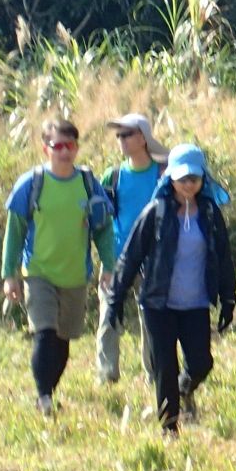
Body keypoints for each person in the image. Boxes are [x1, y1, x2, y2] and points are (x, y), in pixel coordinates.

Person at [106, 143, 236, 436]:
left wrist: (228, 297)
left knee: (201, 363)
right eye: (182, 178)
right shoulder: (156, 211)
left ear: (203, 178)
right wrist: (116, 299)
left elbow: (223, 256)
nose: (188, 184)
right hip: (158, 304)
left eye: (194, 178)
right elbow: (130, 257)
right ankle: (169, 427)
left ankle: (184, 389)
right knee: (164, 366)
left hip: (195, 304)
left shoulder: (210, 213)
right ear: (170, 178)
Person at [1, 118, 115, 417]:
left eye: (70, 145)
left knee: (63, 340)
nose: (64, 152)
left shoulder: (88, 184)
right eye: (58, 146)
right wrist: (9, 275)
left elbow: (103, 229)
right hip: (38, 274)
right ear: (46, 149)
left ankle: (48, 393)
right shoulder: (31, 184)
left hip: (75, 276)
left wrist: (109, 265)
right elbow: (14, 232)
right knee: (45, 332)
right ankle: (43, 397)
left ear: (76, 148)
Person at [95, 112, 168, 385]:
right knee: (108, 317)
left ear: (143, 138)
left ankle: (154, 374)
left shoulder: (162, 174)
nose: (121, 140)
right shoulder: (112, 176)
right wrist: (106, 261)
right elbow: (101, 221)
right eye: (119, 135)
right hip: (117, 257)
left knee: (152, 319)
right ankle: (106, 376)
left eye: (127, 134)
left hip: (153, 259)